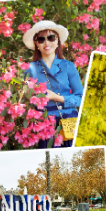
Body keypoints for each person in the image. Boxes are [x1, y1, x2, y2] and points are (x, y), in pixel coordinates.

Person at [22, 20, 83, 148]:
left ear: (57, 42)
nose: (47, 43)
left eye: (51, 38)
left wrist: (57, 98)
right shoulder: (29, 69)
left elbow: (81, 98)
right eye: (41, 39)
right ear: (36, 43)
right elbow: (24, 99)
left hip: (69, 120)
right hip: (44, 125)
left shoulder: (68, 66)